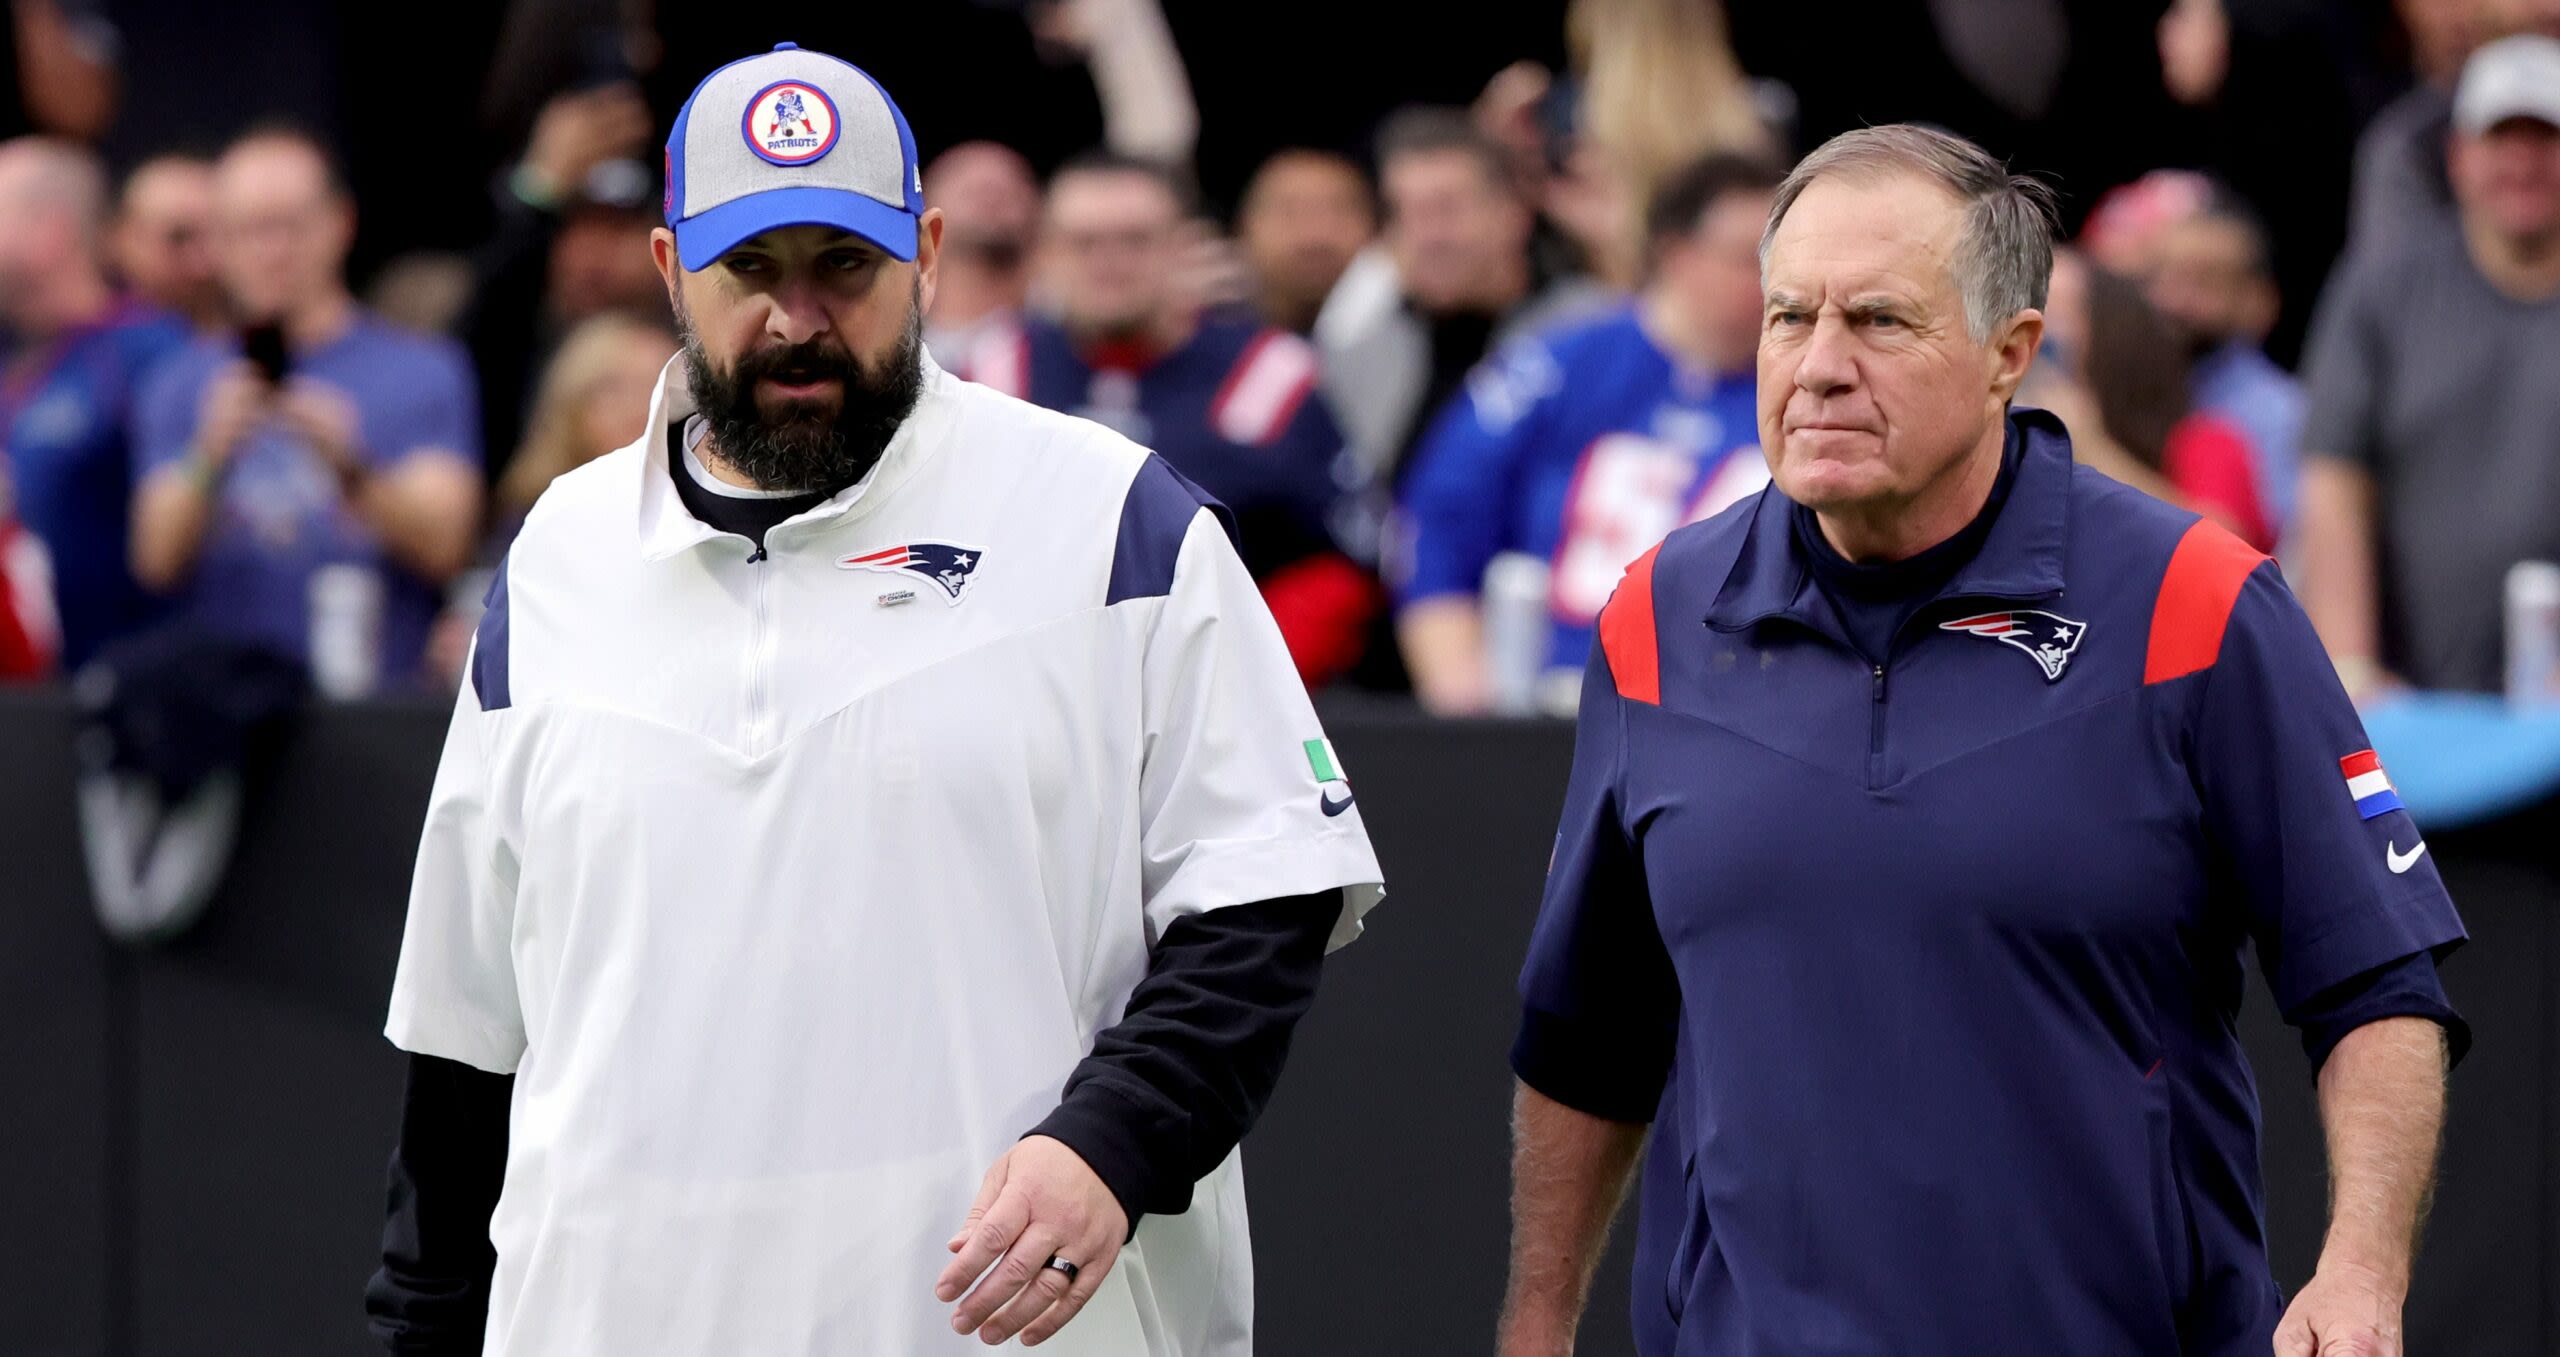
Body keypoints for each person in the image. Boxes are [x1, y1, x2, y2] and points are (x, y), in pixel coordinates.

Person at [364, 43, 1383, 1357]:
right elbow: (465, 1050)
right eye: (752, 271)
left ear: (931, 255)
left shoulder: (1114, 520)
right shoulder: (556, 558)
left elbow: (1267, 890)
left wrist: (1115, 1139)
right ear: (672, 269)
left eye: (844, 266)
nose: (797, 318)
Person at [1499, 125, 2465, 1357]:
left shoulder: (2197, 603)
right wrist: (1534, 1324)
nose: (1820, 366)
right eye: (1788, 317)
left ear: (2012, 353)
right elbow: (1589, 1035)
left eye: (1881, 322)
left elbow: (2376, 984)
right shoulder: (1651, 621)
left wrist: (2361, 1274)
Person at [965, 151, 1375, 684]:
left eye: (1135, 240)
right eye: (1084, 242)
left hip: (1221, 699)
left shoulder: (1271, 376)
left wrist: (1244, 676)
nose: (1109, 262)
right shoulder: (991, 375)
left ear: (1186, 246)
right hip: (1028, 695)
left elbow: (1345, 563)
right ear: (1044, 252)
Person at [1395, 153, 1777, 715]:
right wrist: (1465, 696)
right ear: (1677, 255)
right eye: (1753, 260)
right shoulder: (1563, 363)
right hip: (1556, 707)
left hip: (1730, 720)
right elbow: (1437, 517)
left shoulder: (1808, 390)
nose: (1776, 282)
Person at [129, 125, 483, 694]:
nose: (272, 251)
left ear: (339, 224)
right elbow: (155, 562)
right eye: (248, 230)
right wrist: (209, 455)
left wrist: (352, 465)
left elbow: (447, 548)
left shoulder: (422, 369)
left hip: (375, 708)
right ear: (217, 246)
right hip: (223, 710)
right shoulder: (178, 382)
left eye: (290, 226)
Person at [2294, 32, 2560, 695]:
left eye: (2546, 140)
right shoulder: (2383, 291)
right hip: (2421, 712)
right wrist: (2351, 666)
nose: (2524, 162)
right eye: (2503, 140)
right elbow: (2333, 478)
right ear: (2459, 158)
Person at [1316, 108, 1607, 496]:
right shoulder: (1362, 347)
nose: (1428, 236)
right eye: (1407, 213)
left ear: (1513, 214)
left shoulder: (1591, 330)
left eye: (1448, 208)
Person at [0, 137, 189, 671]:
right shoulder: (12, 355)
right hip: (19, 705)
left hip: (120, 685)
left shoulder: (150, 352)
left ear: (50, 230)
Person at [2031, 248, 2275, 551]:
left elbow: (2223, 547)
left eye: (2053, 314)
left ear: (2114, 336)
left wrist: (2088, 443)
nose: (2034, 336)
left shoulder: (2204, 442)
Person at [919, 140, 1040, 366]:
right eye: (974, 191)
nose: (990, 202)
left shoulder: (1071, 331)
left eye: (1004, 192)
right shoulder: (896, 333)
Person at [1236, 148, 1373, 336]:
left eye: (1339, 212)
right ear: (1243, 229)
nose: (1316, 234)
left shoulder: (1411, 344)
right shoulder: (1202, 348)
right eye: (1289, 212)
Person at [111, 150, 224, 332]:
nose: (206, 262)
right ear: (125, 239)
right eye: (179, 238)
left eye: (220, 235)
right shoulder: (93, 349)